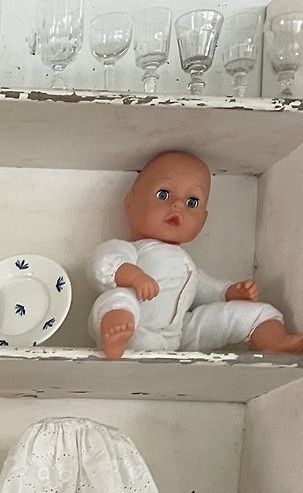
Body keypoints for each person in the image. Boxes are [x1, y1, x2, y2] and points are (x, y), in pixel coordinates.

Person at [91, 151, 303, 360]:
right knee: (119, 298)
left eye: (192, 202)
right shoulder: (132, 249)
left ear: (202, 220)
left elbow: (204, 288)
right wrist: (134, 276)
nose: (178, 205)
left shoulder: (187, 266)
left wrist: (229, 292)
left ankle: (273, 341)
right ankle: (116, 333)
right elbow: (103, 263)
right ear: (130, 202)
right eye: (163, 194)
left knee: (252, 312)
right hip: (137, 328)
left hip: (177, 336)